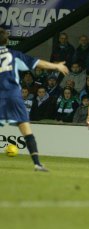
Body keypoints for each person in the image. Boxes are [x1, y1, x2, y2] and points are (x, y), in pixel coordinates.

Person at [0, 27, 69, 171]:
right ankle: (37, 163)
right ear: (6, 41)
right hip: (13, 95)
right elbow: (38, 63)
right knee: (25, 129)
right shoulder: (14, 54)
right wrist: (56, 66)